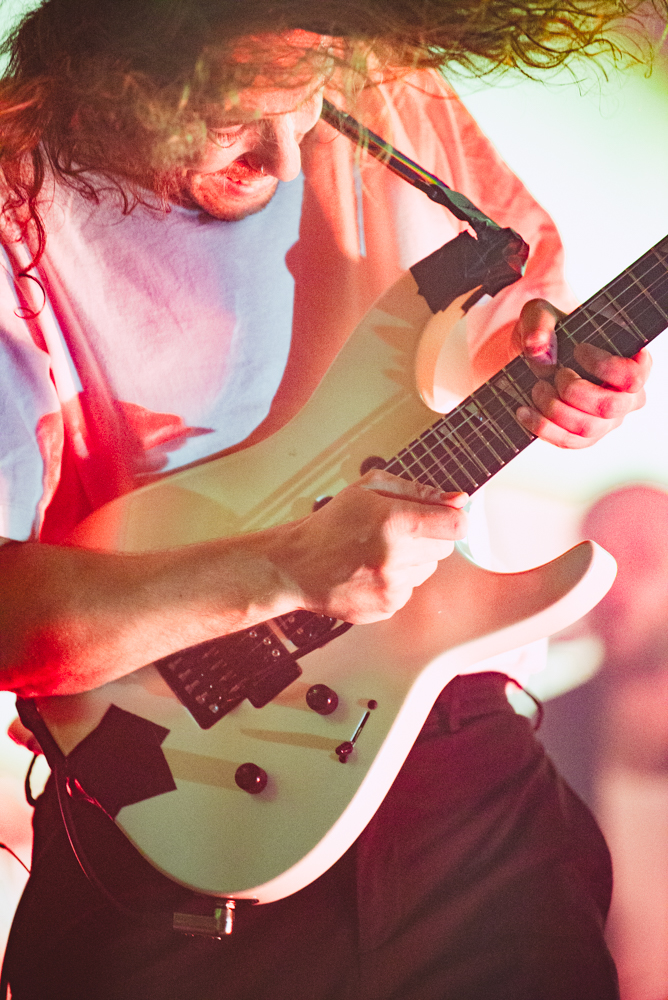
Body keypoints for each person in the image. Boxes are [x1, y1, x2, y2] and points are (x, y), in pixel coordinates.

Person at [0, 1, 658, 997]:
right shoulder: (16, 210)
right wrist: (281, 566)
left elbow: (521, 319)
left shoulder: (378, 84)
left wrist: (553, 370)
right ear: (123, 72)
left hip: (452, 750)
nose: (283, 149)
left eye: (300, 98)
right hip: (169, 814)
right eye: (231, 119)